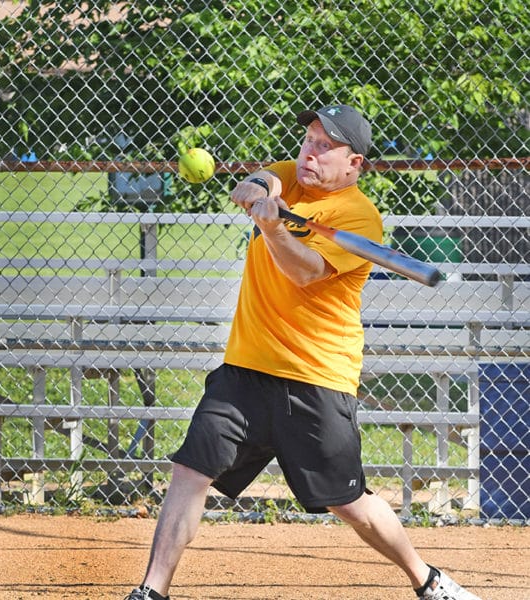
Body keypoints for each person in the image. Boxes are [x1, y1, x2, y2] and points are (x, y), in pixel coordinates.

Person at [124, 104, 483, 600]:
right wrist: (256, 189)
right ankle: (152, 591)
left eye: (325, 145)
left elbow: (305, 272)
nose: (310, 152)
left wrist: (273, 229)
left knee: (349, 503)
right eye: (309, 139)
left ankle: (427, 579)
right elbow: (266, 178)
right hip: (245, 370)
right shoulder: (295, 175)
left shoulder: (359, 218)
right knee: (191, 470)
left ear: (354, 163)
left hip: (315, 378)